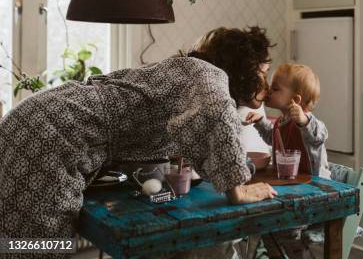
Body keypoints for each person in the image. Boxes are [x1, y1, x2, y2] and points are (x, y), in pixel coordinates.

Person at [0, 26, 277, 247]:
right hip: (53, 131)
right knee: (39, 245)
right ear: (242, 67)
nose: (267, 82)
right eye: (262, 72)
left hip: (40, 118)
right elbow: (218, 111)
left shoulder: (184, 70)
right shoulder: (208, 73)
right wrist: (237, 191)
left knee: (17, 241)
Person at [243, 63, 330, 259]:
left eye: (275, 89)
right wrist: (261, 122)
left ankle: (294, 254)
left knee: (282, 228)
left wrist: (303, 120)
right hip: (292, 191)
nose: (269, 91)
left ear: (295, 100)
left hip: (312, 194)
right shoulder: (281, 121)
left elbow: (319, 135)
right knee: (265, 223)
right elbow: (274, 139)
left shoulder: (305, 122)